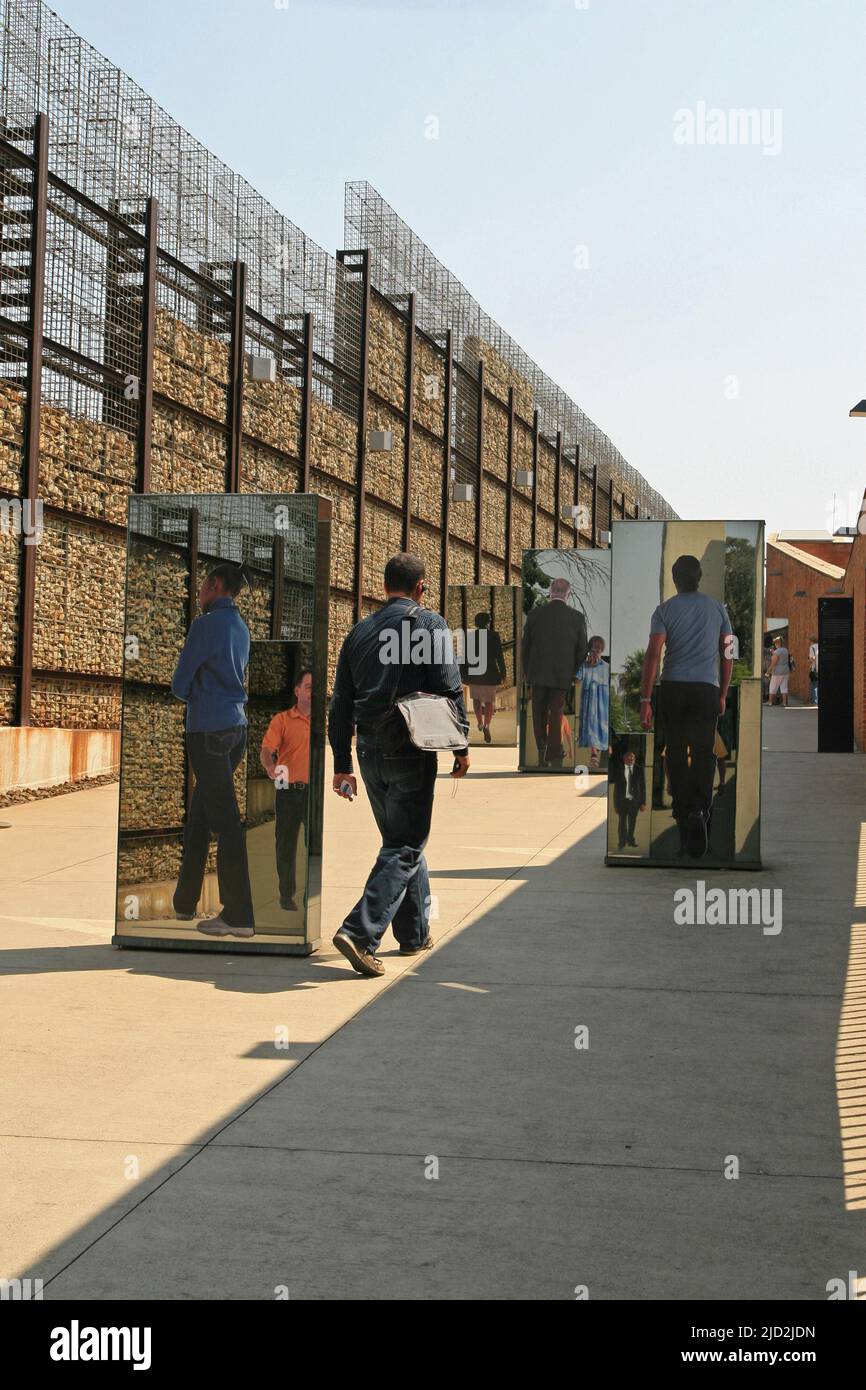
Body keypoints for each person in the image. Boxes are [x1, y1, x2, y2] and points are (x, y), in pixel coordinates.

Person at [328, 553, 470, 977]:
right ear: (421, 587)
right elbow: (448, 687)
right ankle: (359, 931)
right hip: (411, 747)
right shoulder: (429, 625)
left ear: (384, 584)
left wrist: (341, 762)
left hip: (369, 752)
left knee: (400, 841)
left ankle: (414, 933)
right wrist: (460, 745)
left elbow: (340, 705)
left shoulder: (358, 632)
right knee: (406, 845)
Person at [171, 561, 255, 939]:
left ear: (216, 585)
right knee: (203, 816)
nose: (199, 591)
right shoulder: (241, 627)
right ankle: (184, 903)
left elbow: (179, 684)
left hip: (206, 729)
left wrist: (196, 696)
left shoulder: (204, 626)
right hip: (236, 728)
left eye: (203, 584)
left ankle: (239, 914)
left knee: (224, 823)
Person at [640, 554, 733, 860]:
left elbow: (653, 654)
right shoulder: (718, 609)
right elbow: (728, 652)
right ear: (700, 576)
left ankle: (682, 816)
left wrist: (645, 698)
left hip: (674, 688)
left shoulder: (664, 610)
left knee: (677, 754)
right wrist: (721, 693)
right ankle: (700, 810)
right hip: (706, 688)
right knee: (704, 753)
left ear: (675, 579)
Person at [522, 577, 589, 768]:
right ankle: (554, 752)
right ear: (568, 594)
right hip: (562, 674)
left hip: (537, 672)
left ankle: (541, 746)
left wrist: (527, 670)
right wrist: (573, 671)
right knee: (556, 711)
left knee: (538, 711)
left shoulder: (535, 615)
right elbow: (582, 649)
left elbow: (525, 646)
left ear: (551, 592)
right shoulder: (577, 618)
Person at [260, 669, 312, 913]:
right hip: (288, 791)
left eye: (316, 688)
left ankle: (311, 895)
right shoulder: (282, 720)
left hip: (313, 793)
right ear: (298, 690)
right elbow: (266, 750)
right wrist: (270, 766)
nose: (313, 692)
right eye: (309, 687)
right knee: (286, 845)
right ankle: (286, 896)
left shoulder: (322, 721)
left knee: (314, 846)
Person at [464, 611, 506, 744]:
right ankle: (487, 724)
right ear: (488, 623)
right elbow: (499, 656)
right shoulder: (494, 636)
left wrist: (463, 674)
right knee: (489, 701)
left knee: (476, 699)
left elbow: (465, 657)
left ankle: (480, 723)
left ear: (476, 623)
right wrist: (503, 672)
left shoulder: (470, 636)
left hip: (475, 673)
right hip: (490, 673)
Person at [576, 635, 610, 768]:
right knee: (591, 725)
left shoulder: (606, 667)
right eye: (593, 649)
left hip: (602, 701)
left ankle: (600, 750)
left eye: (598, 649)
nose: (595, 652)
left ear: (602, 651)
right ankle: (594, 754)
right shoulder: (584, 665)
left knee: (601, 727)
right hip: (589, 701)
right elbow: (577, 680)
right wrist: (584, 664)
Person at [611, 746, 646, 849]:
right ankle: (621, 842)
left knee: (632, 823)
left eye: (632, 758)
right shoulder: (619, 770)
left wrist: (643, 802)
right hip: (622, 801)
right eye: (628, 758)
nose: (631, 759)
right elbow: (616, 789)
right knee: (622, 823)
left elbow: (643, 787)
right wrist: (615, 805)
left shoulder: (639, 770)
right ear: (624, 759)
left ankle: (631, 840)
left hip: (634, 802)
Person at [768, 635, 790, 708]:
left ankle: (770, 702)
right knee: (784, 687)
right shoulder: (785, 650)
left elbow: (773, 662)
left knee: (773, 687)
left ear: (777, 643)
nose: (774, 644)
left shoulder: (777, 651)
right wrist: (774, 652)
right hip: (786, 670)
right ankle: (784, 703)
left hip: (777, 671)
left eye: (775, 643)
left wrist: (768, 671)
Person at [808, 635, 819, 705]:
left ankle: (814, 701)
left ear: (811, 641)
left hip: (815, 668)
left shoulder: (812, 647)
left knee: (814, 684)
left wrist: (809, 661)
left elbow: (812, 658)